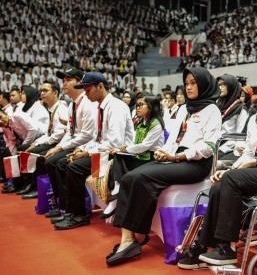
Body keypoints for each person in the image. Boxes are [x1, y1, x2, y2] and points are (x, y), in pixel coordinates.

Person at [177, 68, 257, 269]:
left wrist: (256, 163)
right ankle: (206, 246)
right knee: (220, 184)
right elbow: (248, 154)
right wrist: (231, 168)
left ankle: (228, 248)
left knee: (232, 180)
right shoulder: (255, 119)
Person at [106, 67, 222, 266]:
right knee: (129, 176)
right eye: (187, 84)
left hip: (195, 164)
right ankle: (131, 237)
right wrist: (164, 152)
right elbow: (174, 138)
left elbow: (208, 147)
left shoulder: (212, 110)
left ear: (204, 84)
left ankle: (135, 237)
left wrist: (177, 157)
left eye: (194, 83)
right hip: (175, 157)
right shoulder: (185, 108)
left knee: (143, 178)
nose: (189, 87)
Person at [52, 72, 134, 230]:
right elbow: (98, 138)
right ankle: (70, 210)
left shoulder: (116, 107)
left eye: (88, 90)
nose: (85, 93)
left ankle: (79, 215)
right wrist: (82, 149)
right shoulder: (101, 106)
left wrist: (88, 152)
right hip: (106, 151)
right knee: (65, 162)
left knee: (74, 167)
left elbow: (114, 141)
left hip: (118, 156)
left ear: (101, 87)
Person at [100, 96, 166, 219]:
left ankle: (116, 197)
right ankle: (116, 189)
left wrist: (125, 149)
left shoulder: (156, 124)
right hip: (140, 156)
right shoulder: (141, 122)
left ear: (150, 107)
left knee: (121, 160)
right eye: (137, 105)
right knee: (117, 156)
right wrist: (122, 148)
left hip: (151, 158)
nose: (138, 108)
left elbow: (144, 146)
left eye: (141, 105)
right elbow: (135, 143)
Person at [43, 69, 97, 219]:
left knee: (59, 163)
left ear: (79, 83)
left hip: (86, 144)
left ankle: (69, 207)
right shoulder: (73, 105)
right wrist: (58, 147)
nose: (64, 83)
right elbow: (69, 131)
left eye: (68, 80)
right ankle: (61, 204)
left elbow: (87, 135)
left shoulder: (87, 104)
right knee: (49, 161)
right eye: (64, 80)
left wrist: (61, 147)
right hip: (76, 143)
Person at [18, 80, 69, 199]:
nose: (42, 94)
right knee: (25, 148)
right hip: (53, 140)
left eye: (45, 91)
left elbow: (59, 135)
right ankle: (30, 183)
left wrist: (39, 144)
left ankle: (38, 187)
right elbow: (49, 133)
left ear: (55, 93)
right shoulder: (51, 109)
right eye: (41, 91)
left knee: (36, 155)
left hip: (59, 143)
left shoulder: (61, 109)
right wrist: (36, 142)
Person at [216, 74, 248, 156]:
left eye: (223, 84)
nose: (220, 87)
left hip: (227, 148)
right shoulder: (216, 105)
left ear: (231, 86)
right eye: (219, 85)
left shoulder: (240, 109)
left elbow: (240, 135)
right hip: (213, 145)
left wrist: (223, 149)